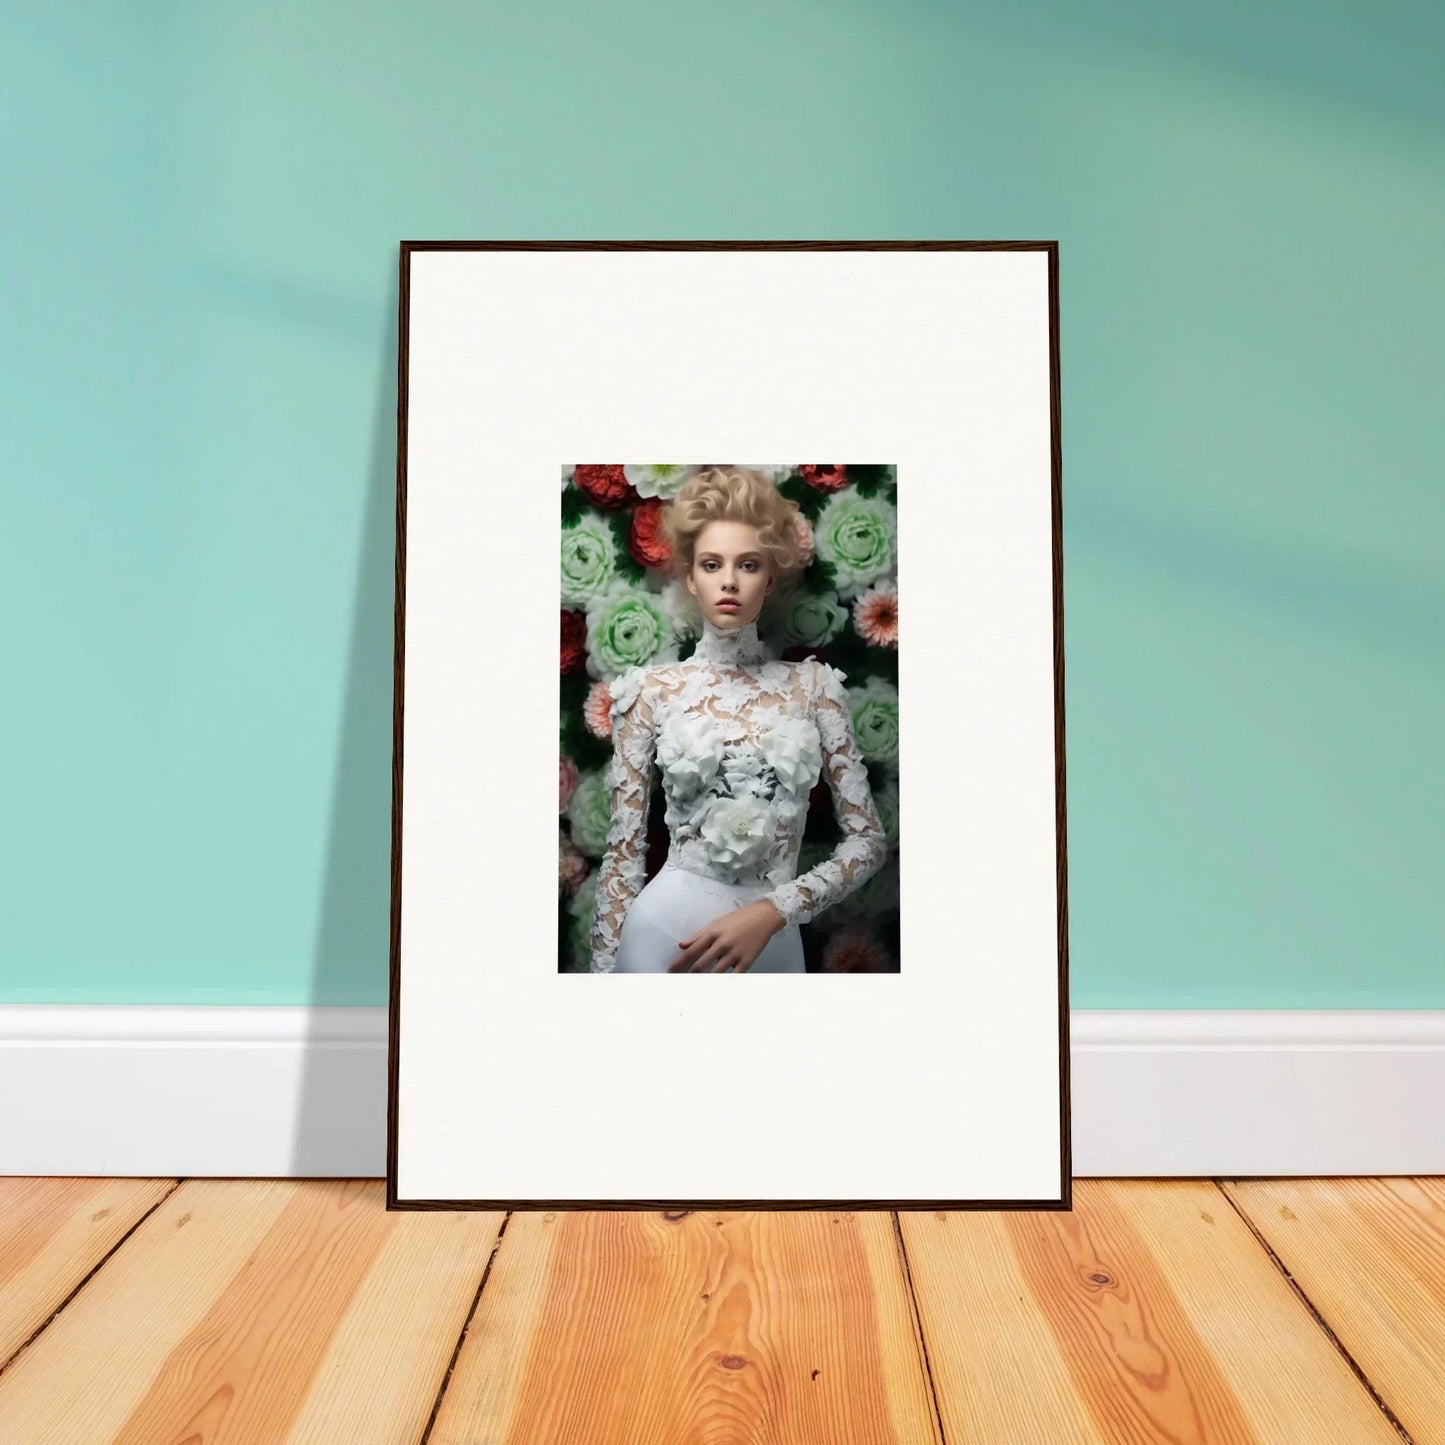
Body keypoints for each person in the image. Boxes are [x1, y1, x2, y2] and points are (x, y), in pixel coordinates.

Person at [589, 466, 888, 974]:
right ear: (690, 576)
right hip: (661, 937)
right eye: (711, 564)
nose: (729, 580)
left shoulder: (815, 688)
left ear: (770, 577)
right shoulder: (650, 691)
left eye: (747, 565)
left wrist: (774, 911)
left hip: (771, 943)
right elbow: (622, 859)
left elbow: (868, 842)